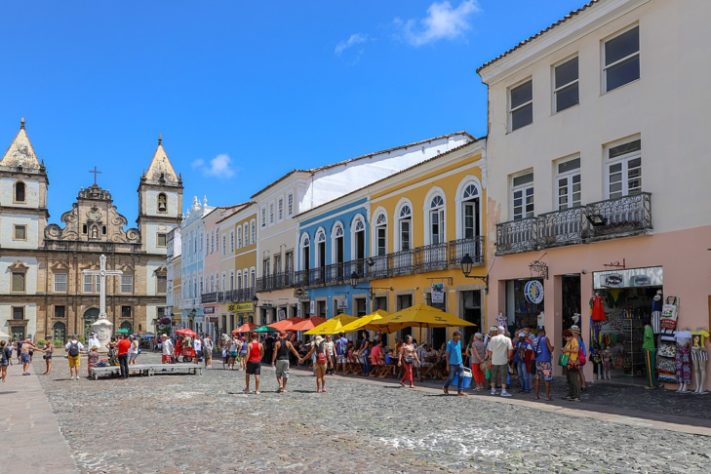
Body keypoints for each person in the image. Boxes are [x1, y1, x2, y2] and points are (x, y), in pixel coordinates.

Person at [487, 326, 513, 397]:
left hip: (494, 359)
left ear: (497, 331)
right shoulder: (507, 339)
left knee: (493, 375)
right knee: (503, 375)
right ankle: (503, 391)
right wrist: (508, 358)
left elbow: (490, 351)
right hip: (503, 359)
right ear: (503, 331)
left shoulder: (493, 339)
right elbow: (510, 350)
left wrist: (490, 359)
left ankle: (493, 390)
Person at [533, 327, 554, 401]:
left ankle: (536, 396)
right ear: (543, 332)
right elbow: (550, 349)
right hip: (545, 362)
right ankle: (547, 397)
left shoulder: (534, 339)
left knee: (537, 378)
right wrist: (553, 347)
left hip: (538, 361)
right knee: (547, 379)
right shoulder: (545, 338)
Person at [443, 331, 466, 396]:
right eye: (458, 336)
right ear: (454, 336)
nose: (459, 338)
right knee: (451, 377)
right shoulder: (449, 343)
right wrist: (447, 365)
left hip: (460, 363)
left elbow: (458, 351)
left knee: (461, 376)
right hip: (452, 364)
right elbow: (447, 354)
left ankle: (460, 391)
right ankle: (446, 387)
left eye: (460, 336)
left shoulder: (459, 342)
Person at [562, 329, 581, 401]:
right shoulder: (568, 341)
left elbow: (576, 350)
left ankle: (576, 396)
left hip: (573, 362)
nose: (564, 338)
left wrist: (566, 350)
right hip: (568, 362)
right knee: (569, 380)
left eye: (565, 337)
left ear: (568, 336)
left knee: (574, 380)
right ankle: (571, 395)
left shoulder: (574, 340)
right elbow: (566, 349)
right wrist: (564, 349)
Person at [570, 325, 587, 391]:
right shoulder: (579, 338)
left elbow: (576, 349)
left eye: (572, 331)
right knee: (580, 372)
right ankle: (583, 385)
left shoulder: (575, 339)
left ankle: (579, 386)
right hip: (581, 356)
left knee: (577, 372)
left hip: (577, 357)